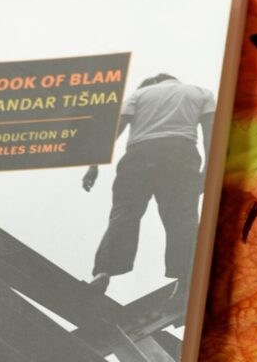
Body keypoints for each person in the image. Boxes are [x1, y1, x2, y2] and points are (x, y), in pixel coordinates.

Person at [83, 73, 216, 297]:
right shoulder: (200, 93)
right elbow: (211, 134)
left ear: (153, 83)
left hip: (138, 157)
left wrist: (93, 164)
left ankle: (103, 272)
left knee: (124, 213)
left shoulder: (140, 94)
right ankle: (186, 276)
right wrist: (208, 171)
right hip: (180, 155)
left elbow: (114, 129)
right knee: (181, 217)